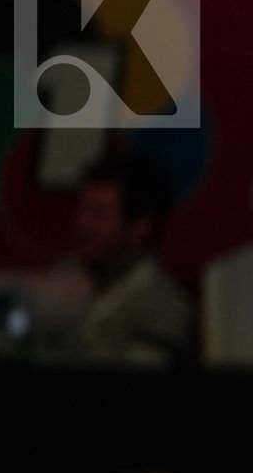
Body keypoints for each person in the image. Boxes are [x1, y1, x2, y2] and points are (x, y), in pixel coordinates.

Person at [57, 152, 193, 365]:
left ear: (140, 226)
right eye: (82, 209)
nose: (82, 223)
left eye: (98, 213)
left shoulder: (162, 307)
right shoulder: (66, 274)